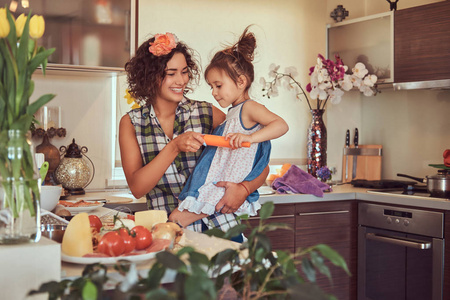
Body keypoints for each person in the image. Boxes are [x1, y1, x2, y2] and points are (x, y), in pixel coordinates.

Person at [119, 32, 269, 237]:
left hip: (222, 228)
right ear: (149, 76)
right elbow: (137, 188)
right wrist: (173, 147)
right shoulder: (132, 123)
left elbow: (258, 163)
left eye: (184, 71)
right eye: (171, 73)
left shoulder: (208, 114)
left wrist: (244, 189)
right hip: (169, 233)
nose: (181, 80)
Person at [169, 27, 289, 227]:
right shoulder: (232, 115)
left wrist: (251, 138)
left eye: (218, 85)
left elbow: (281, 125)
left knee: (175, 220)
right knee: (176, 221)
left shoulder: (249, 108)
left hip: (225, 184)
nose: (214, 93)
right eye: (211, 87)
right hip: (221, 182)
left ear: (241, 81)